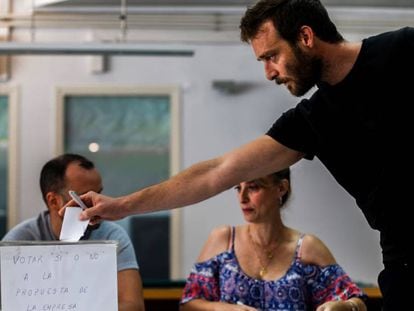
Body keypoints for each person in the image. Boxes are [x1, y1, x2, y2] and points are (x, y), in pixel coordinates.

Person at [61, 1, 413, 309]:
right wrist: (119, 206)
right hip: (406, 267)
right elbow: (216, 172)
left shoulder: (403, 50)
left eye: (272, 56)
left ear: (306, 37)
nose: (269, 72)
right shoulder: (312, 122)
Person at [179, 169, 366, 311]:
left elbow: (358, 301)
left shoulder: (307, 247)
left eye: (253, 187)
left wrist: (345, 307)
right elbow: (188, 303)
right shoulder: (223, 239)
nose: (242, 198)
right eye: (238, 188)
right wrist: (227, 309)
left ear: (281, 188)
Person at [3, 153, 145, 311]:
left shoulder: (113, 237)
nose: (98, 206)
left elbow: (134, 306)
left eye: (98, 195)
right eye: (85, 199)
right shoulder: (19, 242)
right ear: (53, 201)